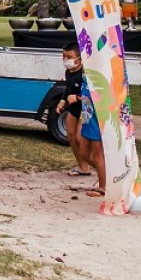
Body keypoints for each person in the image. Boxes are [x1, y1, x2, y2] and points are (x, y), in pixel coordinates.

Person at [56, 41, 94, 180]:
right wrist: (62, 100)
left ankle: (99, 166)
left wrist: (77, 98)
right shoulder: (68, 72)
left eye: (69, 57)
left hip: (85, 109)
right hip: (73, 109)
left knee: (80, 138)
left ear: (79, 58)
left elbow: (93, 94)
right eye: (64, 56)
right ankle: (82, 166)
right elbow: (68, 89)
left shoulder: (85, 74)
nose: (66, 60)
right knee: (71, 137)